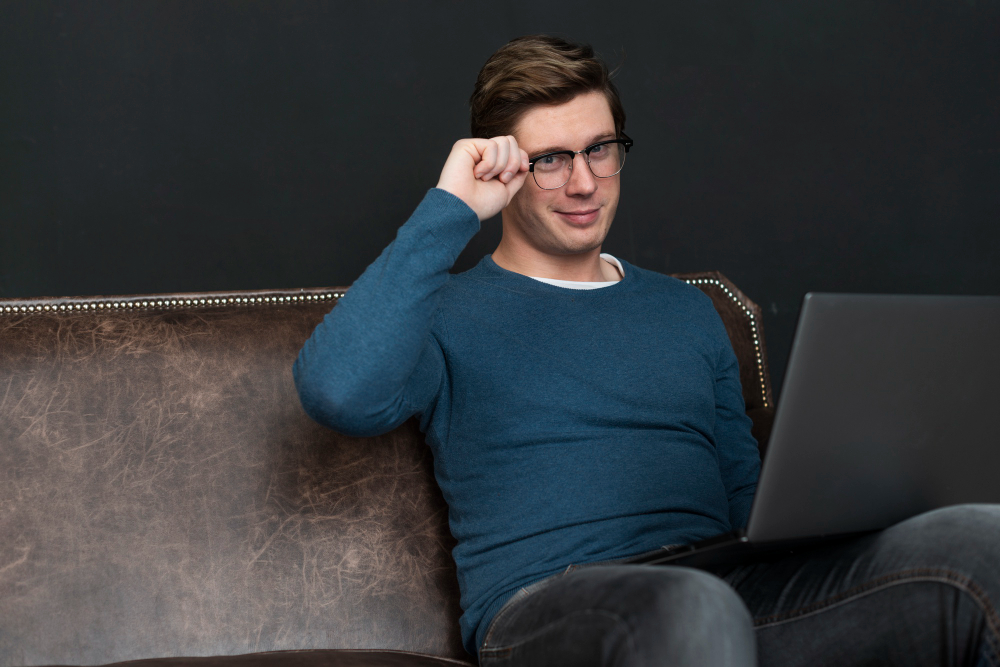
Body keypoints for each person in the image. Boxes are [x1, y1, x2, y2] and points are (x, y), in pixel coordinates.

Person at [294, 35, 1000, 667]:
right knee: (693, 608)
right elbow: (337, 390)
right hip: (548, 608)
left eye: (599, 149)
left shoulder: (689, 310)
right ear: (501, 170)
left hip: (726, 589)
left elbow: (752, 506)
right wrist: (448, 209)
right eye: (550, 160)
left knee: (980, 540)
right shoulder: (441, 313)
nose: (583, 182)